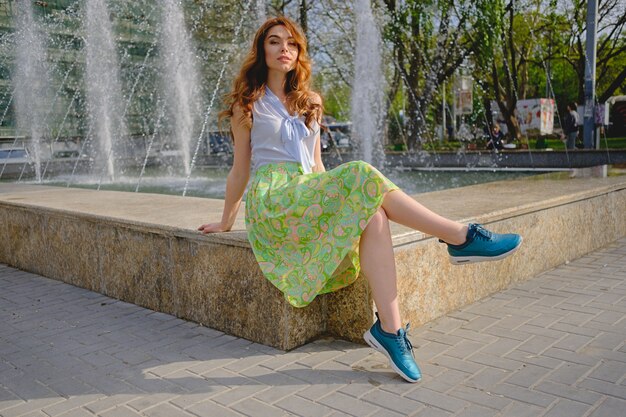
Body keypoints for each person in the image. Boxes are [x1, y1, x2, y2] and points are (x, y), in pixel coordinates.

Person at [198, 16, 522, 383]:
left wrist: (336, 209)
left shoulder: (311, 102)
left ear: (298, 53)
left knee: (374, 216)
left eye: (291, 43)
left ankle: (391, 330)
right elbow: (240, 170)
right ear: (262, 50)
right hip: (274, 199)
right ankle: (459, 236)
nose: (283, 49)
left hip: (307, 192)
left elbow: (317, 165)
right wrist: (227, 220)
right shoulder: (249, 104)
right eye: (274, 42)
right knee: (363, 173)